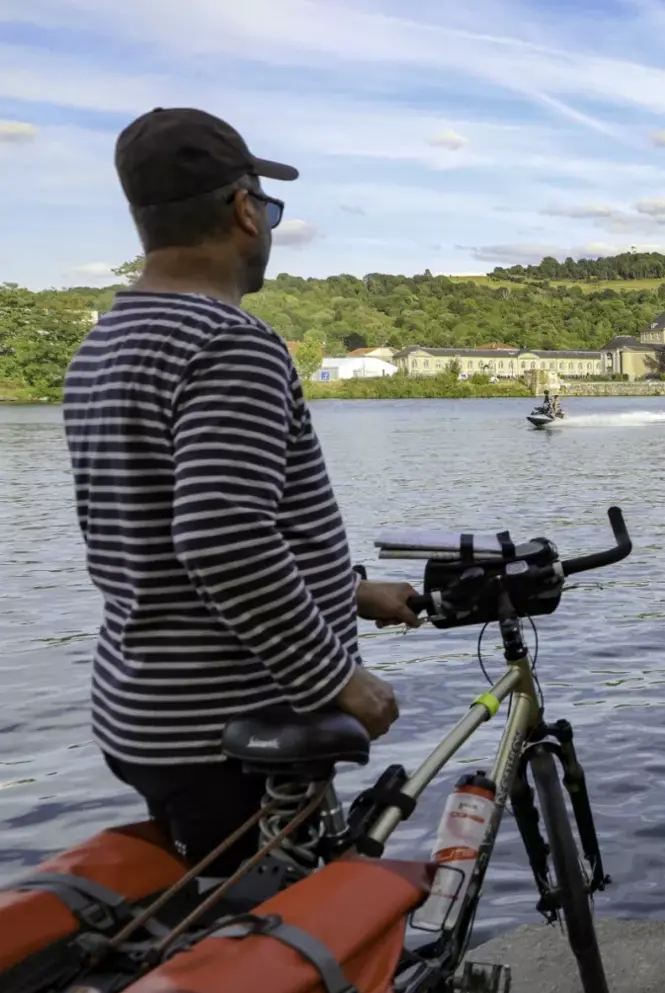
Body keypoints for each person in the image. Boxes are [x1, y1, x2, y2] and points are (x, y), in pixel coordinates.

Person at [61, 108, 420, 872]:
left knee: (196, 925)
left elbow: (153, 534)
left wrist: (351, 591)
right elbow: (223, 539)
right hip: (235, 731)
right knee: (277, 935)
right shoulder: (229, 341)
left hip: (147, 713)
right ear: (244, 210)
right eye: (270, 208)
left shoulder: (102, 345)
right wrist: (339, 678)